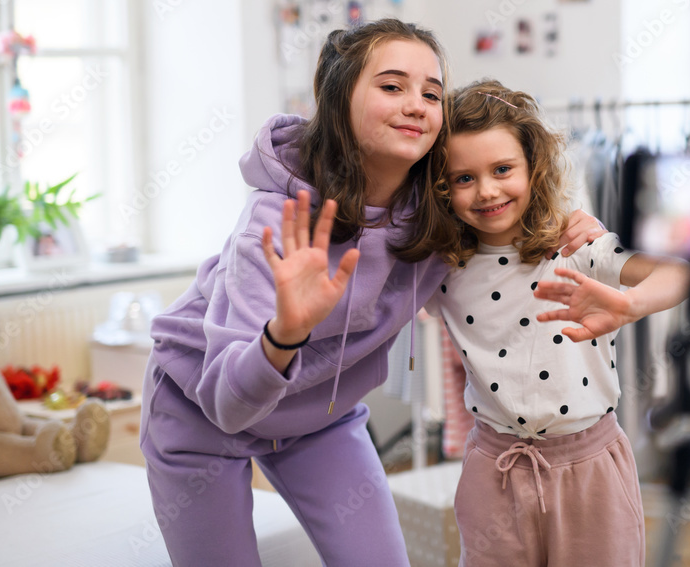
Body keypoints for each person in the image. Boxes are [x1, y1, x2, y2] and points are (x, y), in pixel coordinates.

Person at [140, 20, 603, 567]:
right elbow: (228, 404)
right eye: (391, 86)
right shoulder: (273, 223)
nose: (416, 104)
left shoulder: (440, 214)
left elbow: (514, 254)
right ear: (339, 100)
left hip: (321, 419)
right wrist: (285, 334)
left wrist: (576, 232)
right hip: (201, 411)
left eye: (431, 93)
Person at [420, 79, 690, 566]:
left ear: (533, 166)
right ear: (441, 187)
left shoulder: (575, 243)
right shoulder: (441, 267)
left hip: (590, 468)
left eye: (503, 169)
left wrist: (630, 304)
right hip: (494, 472)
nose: (486, 191)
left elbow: (678, 272)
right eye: (463, 178)